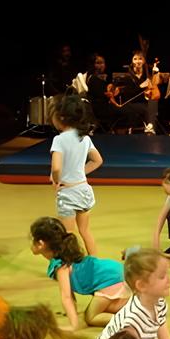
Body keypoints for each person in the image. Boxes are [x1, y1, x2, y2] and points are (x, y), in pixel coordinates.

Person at [30, 217, 129, 330]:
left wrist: (73, 325)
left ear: (40, 244)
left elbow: (66, 297)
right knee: (105, 308)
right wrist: (73, 312)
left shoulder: (61, 267)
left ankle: (130, 321)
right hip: (117, 273)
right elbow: (70, 295)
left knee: (91, 317)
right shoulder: (65, 256)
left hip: (112, 281)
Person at [50, 95, 104, 257]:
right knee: (85, 231)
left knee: (66, 235)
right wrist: (80, 172)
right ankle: (95, 263)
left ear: (61, 117)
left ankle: (68, 268)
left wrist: (56, 179)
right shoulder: (84, 138)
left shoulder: (59, 140)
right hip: (84, 190)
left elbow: (56, 167)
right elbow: (97, 160)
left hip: (69, 194)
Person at [83, 53, 145, 132]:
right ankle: (125, 131)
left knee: (130, 108)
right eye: (98, 63)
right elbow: (108, 95)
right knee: (132, 109)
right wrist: (116, 100)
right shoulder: (93, 79)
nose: (101, 65)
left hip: (102, 107)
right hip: (101, 109)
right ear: (92, 64)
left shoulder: (94, 77)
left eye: (103, 63)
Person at [115, 51, 160, 135]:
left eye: (140, 58)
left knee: (153, 102)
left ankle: (151, 127)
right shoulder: (128, 75)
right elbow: (128, 94)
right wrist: (141, 87)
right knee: (148, 106)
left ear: (144, 61)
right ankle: (150, 127)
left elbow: (154, 86)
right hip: (131, 103)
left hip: (144, 102)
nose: (138, 61)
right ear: (132, 61)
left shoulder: (147, 74)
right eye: (135, 59)